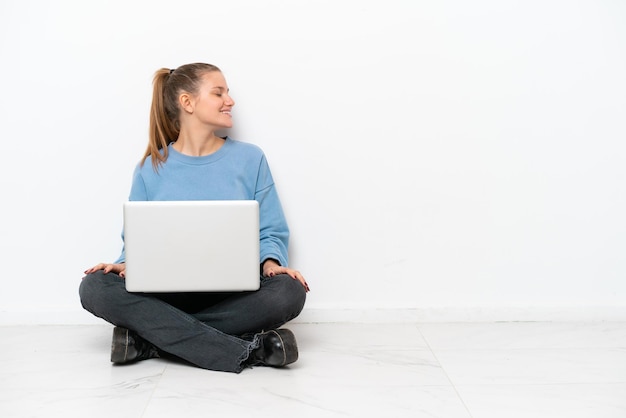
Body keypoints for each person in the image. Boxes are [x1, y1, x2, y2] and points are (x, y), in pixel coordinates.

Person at [79, 63, 309, 373]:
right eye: (219, 93)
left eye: (227, 92)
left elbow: (270, 230)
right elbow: (138, 239)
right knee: (93, 287)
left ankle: (149, 340)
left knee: (288, 292)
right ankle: (251, 351)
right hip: (168, 296)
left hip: (234, 295)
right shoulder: (150, 168)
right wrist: (124, 263)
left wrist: (271, 265)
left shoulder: (250, 159)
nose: (230, 101)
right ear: (187, 102)